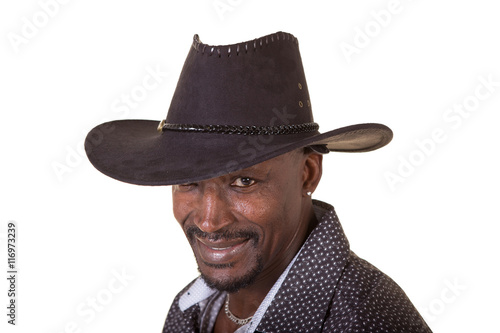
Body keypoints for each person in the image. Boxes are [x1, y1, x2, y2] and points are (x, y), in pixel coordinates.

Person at [85, 31, 431, 332]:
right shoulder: (192, 308)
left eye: (244, 181)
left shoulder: (365, 321)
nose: (209, 220)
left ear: (308, 174)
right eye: (189, 182)